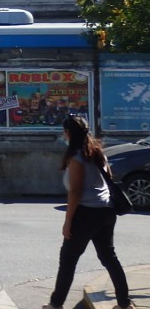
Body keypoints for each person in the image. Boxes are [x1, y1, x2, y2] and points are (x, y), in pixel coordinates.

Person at [43, 114, 134, 309]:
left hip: (86, 213)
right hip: (106, 211)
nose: (63, 135)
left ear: (68, 133)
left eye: (64, 132)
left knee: (68, 260)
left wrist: (68, 220)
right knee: (109, 258)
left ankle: (55, 304)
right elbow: (108, 177)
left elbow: (75, 192)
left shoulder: (77, 158)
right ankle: (125, 304)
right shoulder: (98, 153)